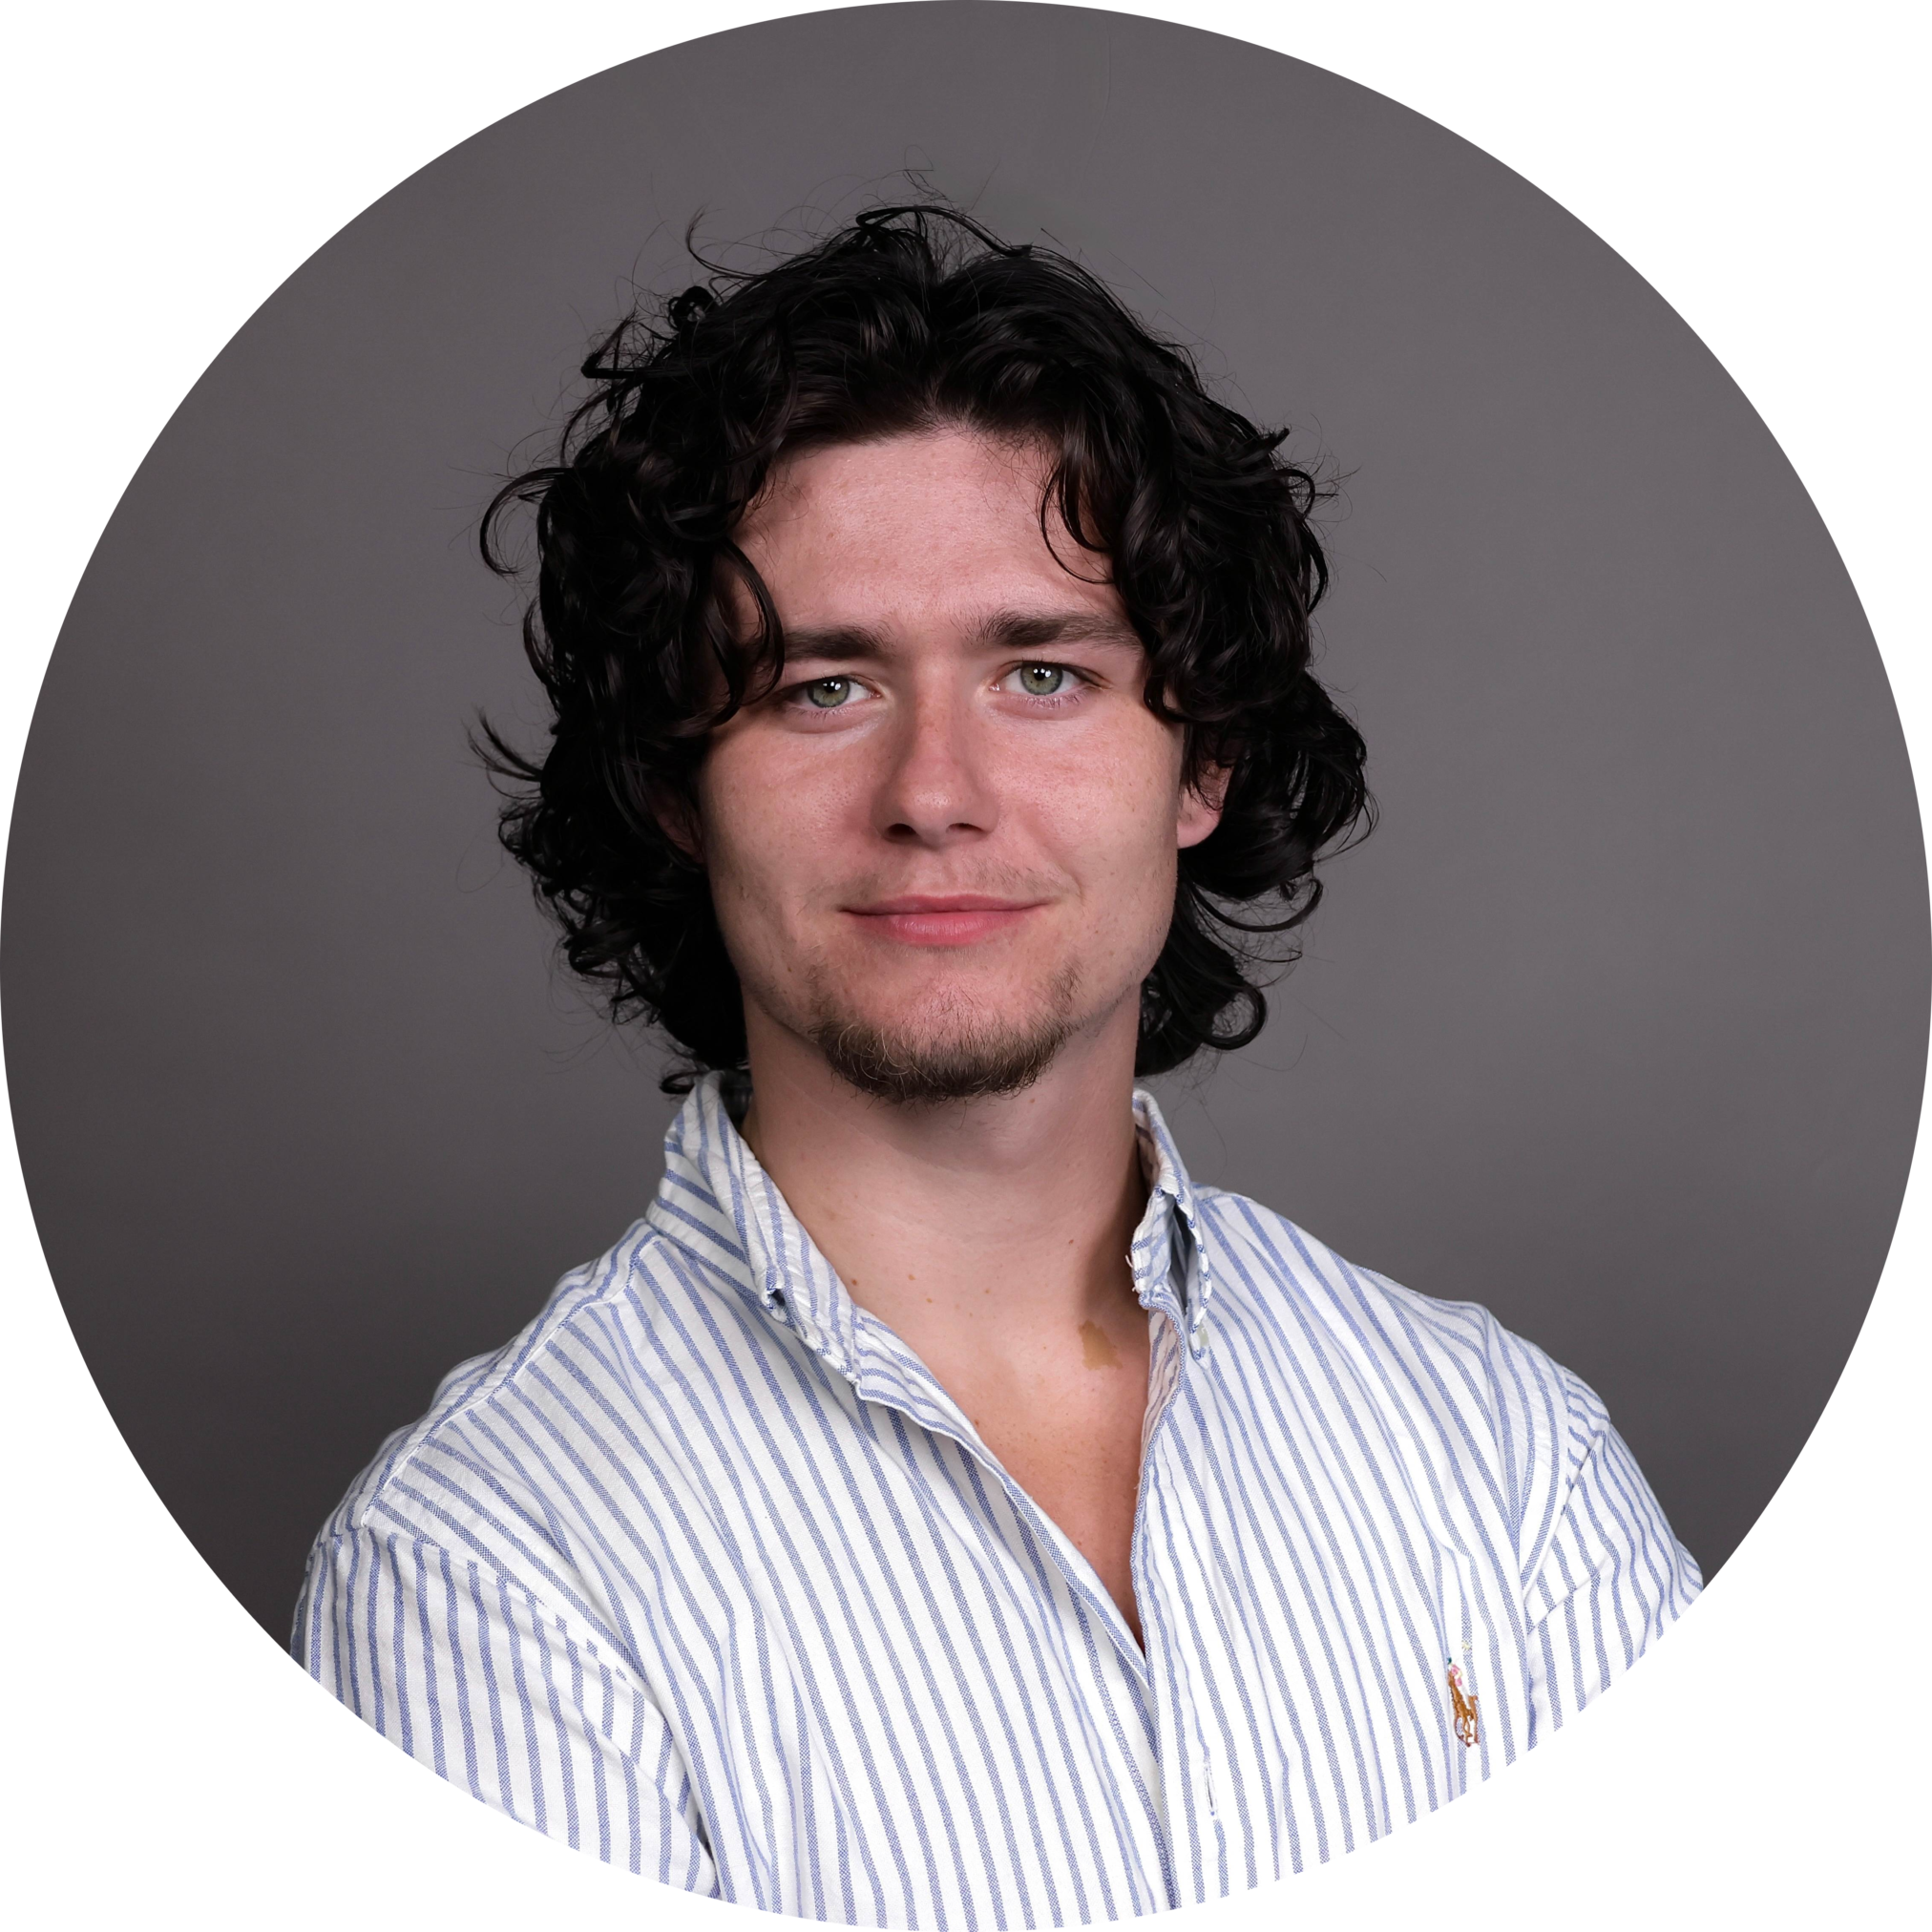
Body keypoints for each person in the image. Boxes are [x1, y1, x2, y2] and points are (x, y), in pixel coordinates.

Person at [293, 204, 1699, 1916]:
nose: (935, 793)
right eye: (821, 688)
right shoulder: (485, 1566)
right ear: (675, 788)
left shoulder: (1504, 1457)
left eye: (1041, 672)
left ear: (1203, 764)